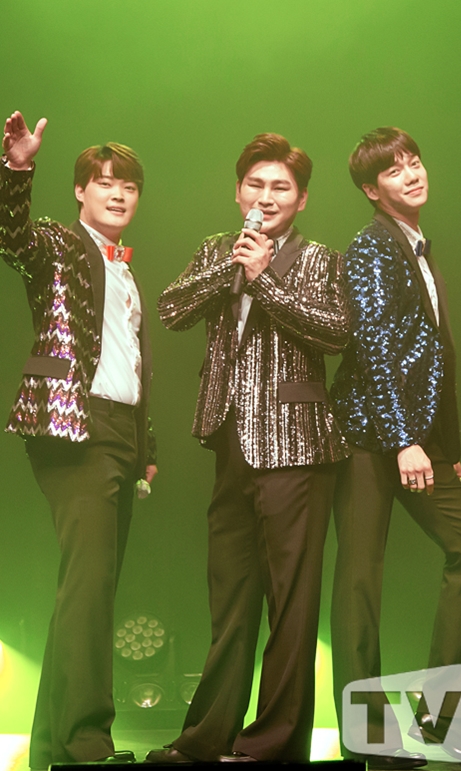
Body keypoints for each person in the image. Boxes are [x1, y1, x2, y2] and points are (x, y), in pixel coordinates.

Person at [146, 133, 349, 764]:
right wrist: (233, 267)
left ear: (302, 199)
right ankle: (208, 737)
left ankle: (273, 745)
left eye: (280, 187)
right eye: (256, 185)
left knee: (291, 604)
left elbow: (336, 333)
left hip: (298, 446)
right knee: (230, 599)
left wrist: (264, 281)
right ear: (238, 192)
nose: (266, 196)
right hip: (230, 440)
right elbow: (171, 309)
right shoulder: (218, 250)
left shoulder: (321, 259)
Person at [330, 127, 461, 769]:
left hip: (418, 440)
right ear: (371, 190)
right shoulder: (371, 245)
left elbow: (435, 356)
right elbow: (373, 344)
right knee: (360, 581)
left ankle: (442, 721)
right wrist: (405, 438)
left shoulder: (418, 247)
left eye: (415, 162)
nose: (412, 174)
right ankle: (367, 738)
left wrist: (443, 446)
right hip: (368, 438)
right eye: (395, 170)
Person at [0, 111, 157, 769]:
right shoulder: (59, 243)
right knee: (89, 590)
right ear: (80, 191)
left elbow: (132, 363)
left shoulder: (126, 270)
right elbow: (12, 237)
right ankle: (88, 743)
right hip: (72, 428)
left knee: (86, 591)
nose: (118, 194)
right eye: (105, 182)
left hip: (119, 432)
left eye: (129, 185)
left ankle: (50, 745)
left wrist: (147, 449)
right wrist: (17, 170)